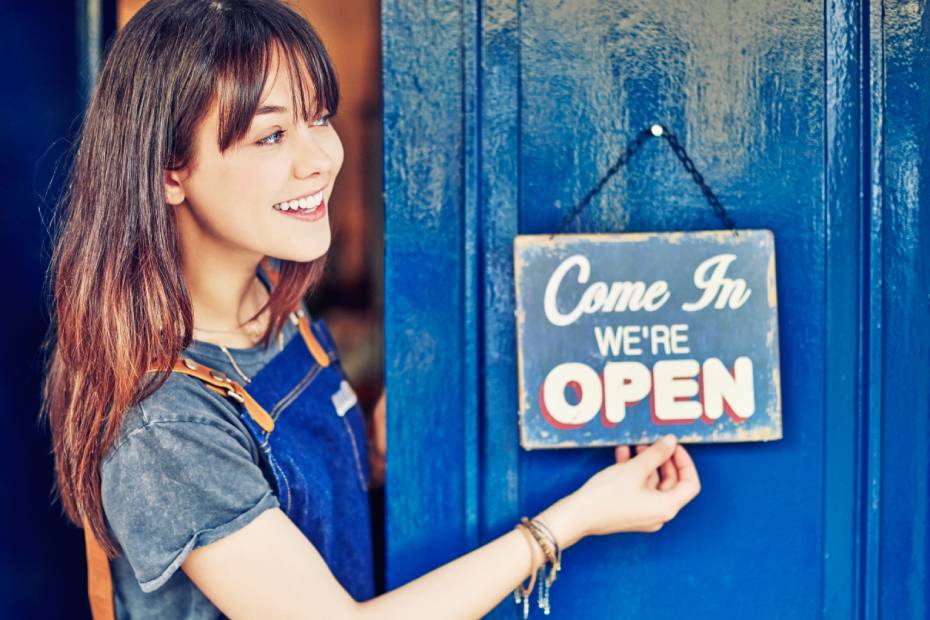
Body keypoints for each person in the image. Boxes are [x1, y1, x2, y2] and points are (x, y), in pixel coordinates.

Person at [41, 0, 701, 618]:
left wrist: (376, 454)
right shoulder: (164, 425)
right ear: (168, 170)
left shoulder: (269, 294)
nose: (321, 159)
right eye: (271, 136)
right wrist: (573, 521)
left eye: (319, 118)